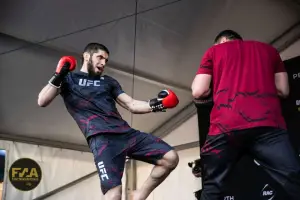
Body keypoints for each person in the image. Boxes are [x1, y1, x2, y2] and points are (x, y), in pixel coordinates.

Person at [37, 43, 180, 200]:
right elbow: (42, 101)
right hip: (102, 139)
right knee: (113, 195)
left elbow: (131, 104)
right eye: (100, 57)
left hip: (126, 134)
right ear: (86, 56)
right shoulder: (68, 79)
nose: (103, 63)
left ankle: (139, 196)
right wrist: (59, 74)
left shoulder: (109, 82)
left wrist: (158, 104)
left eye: (106, 60)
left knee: (170, 158)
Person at [191, 30, 300, 200]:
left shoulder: (214, 51)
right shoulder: (270, 50)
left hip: (225, 126)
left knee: (212, 187)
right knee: (295, 179)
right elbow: (283, 90)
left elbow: (199, 91)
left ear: (223, 41)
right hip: (268, 125)